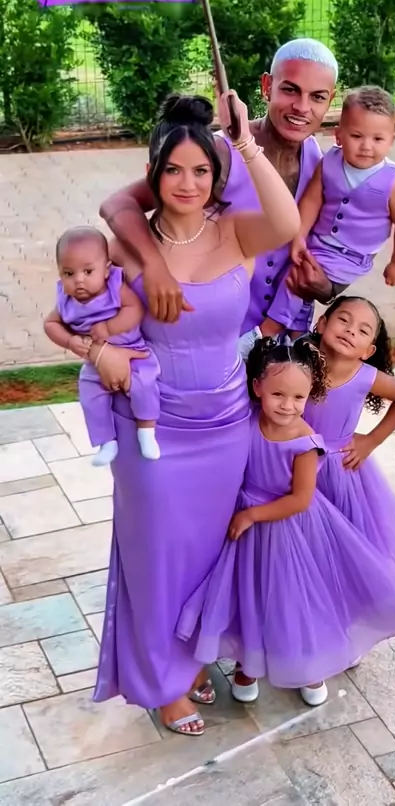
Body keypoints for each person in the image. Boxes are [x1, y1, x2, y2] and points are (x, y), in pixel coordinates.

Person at [77, 90, 301, 737]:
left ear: (217, 174)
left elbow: (286, 221)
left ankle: (193, 656)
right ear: (152, 175)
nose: (187, 183)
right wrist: (100, 349)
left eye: (201, 170)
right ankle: (161, 682)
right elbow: (81, 317)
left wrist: (245, 141)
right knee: (156, 558)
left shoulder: (236, 230)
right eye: (172, 170)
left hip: (225, 426)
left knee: (206, 554)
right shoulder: (127, 246)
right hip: (153, 427)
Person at [177, 337, 395, 706]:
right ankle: (248, 663)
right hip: (248, 530)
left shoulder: (306, 442)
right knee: (250, 595)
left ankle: (310, 664)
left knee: (296, 598)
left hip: (291, 530)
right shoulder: (246, 422)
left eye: (298, 397)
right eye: (278, 394)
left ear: (309, 396)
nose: (287, 405)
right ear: (257, 388)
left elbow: (300, 500)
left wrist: (251, 514)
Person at [98, 39, 338, 344]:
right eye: (290, 90)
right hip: (216, 336)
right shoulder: (218, 153)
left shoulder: (321, 162)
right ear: (267, 86)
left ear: (330, 100)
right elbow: (118, 204)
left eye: (317, 97)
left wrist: (326, 289)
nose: (302, 107)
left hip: (285, 340)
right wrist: (153, 265)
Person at [304, 295, 395, 596]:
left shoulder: (365, 377)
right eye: (343, 320)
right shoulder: (298, 363)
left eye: (362, 330)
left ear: (368, 350)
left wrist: (371, 440)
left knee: (340, 538)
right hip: (292, 463)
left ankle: (338, 592)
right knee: (301, 534)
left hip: (337, 471)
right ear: (321, 324)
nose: (350, 330)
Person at [260, 86, 395, 339]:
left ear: (391, 141)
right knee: (290, 268)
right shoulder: (330, 162)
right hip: (318, 242)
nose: (366, 146)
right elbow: (311, 201)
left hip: (350, 256)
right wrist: (299, 236)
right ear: (338, 135)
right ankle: (298, 335)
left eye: (377, 139)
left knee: (297, 278)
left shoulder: (393, 183)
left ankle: (268, 331)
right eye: (357, 136)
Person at [44, 227, 161, 466]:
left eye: (88, 271)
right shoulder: (66, 301)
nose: (79, 280)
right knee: (90, 395)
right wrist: (70, 341)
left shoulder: (115, 288)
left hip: (133, 352)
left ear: (106, 270)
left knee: (144, 384)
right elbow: (50, 324)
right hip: (95, 363)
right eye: (68, 273)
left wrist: (109, 328)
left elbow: (135, 309)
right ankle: (106, 441)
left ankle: (146, 431)